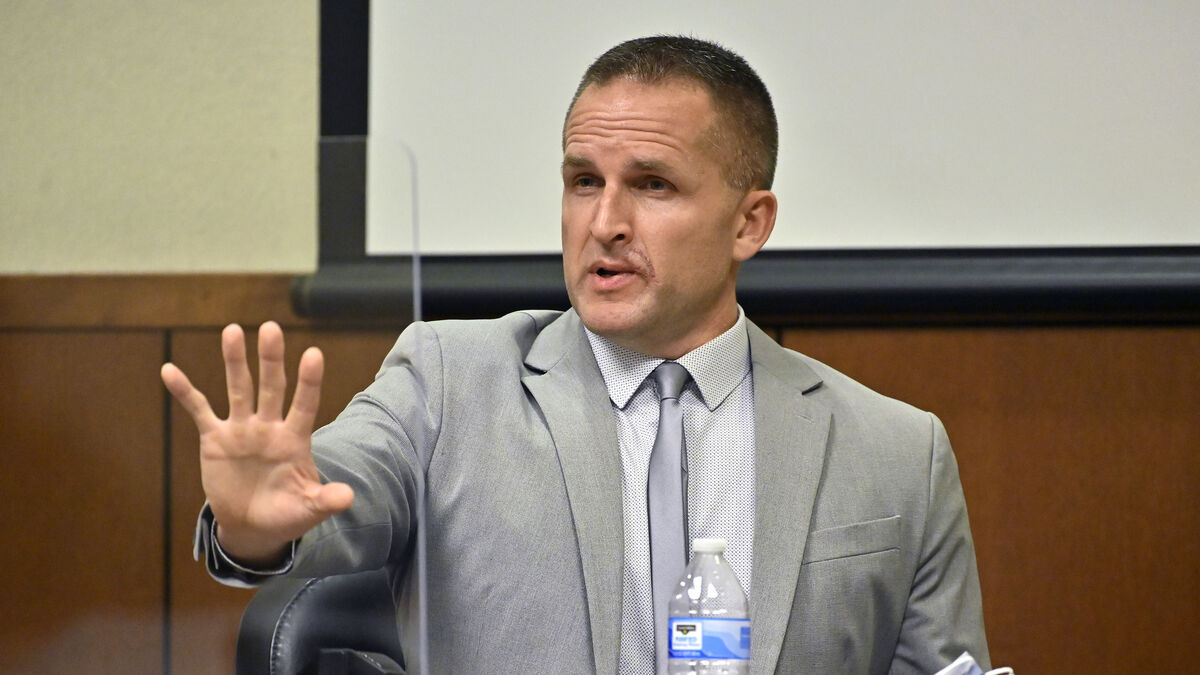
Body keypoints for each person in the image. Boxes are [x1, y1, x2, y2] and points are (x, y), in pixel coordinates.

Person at [162, 36, 989, 674]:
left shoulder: (896, 451)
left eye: (653, 184)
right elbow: (336, 492)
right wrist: (256, 525)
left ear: (750, 223)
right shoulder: (449, 383)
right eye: (584, 180)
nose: (605, 223)